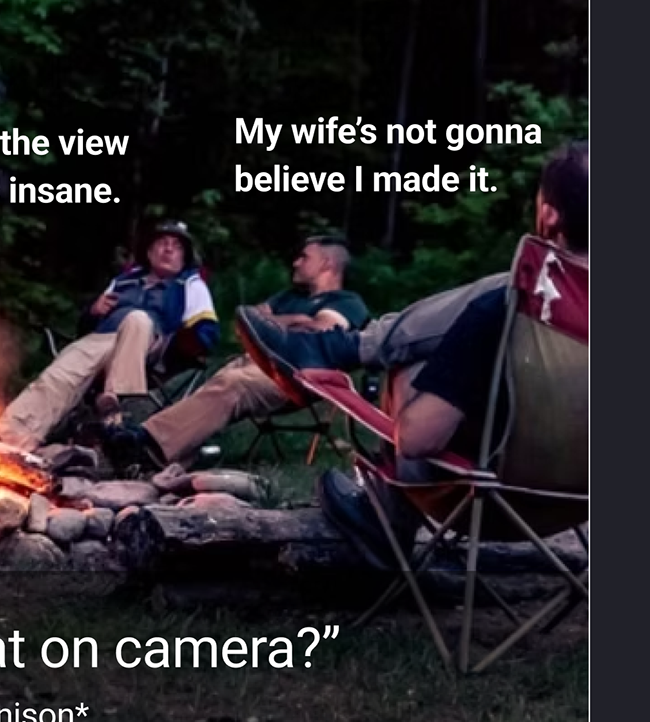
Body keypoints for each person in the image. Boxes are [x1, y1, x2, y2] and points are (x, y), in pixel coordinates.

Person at [240, 142, 589, 568]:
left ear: (549, 214)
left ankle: (385, 515)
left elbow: (420, 440)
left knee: (419, 357)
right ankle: (340, 347)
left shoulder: (506, 308)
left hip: (488, 501)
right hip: (577, 505)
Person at [102, 235, 369, 473]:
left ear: (327, 264)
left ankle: (145, 444)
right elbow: (246, 322)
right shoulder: (288, 297)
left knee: (233, 384)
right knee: (221, 382)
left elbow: (319, 330)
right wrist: (296, 320)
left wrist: (273, 323)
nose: (296, 263)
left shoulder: (346, 302)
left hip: (295, 373)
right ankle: (158, 458)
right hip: (253, 361)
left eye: (304, 257)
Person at [0, 219, 219, 453]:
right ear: (149, 252)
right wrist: (93, 311)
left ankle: (118, 403)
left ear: (184, 258)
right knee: (60, 374)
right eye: (162, 243)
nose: (168, 249)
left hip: (148, 346)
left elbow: (207, 334)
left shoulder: (190, 285)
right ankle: (9, 437)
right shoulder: (124, 281)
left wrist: (179, 349)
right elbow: (85, 328)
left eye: (176, 246)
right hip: (103, 338)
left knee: (137, 319)